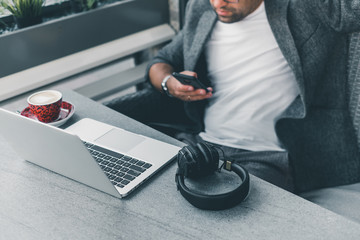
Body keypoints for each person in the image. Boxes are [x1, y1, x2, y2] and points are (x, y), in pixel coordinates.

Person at [145, 0, 360, 193]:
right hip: (201, 144)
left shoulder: (302, 7)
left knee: (232, 215)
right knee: (150, 192)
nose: (218, 3)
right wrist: (168, 84)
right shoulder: (201, 8)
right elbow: (161, 61)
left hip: (265, 156)